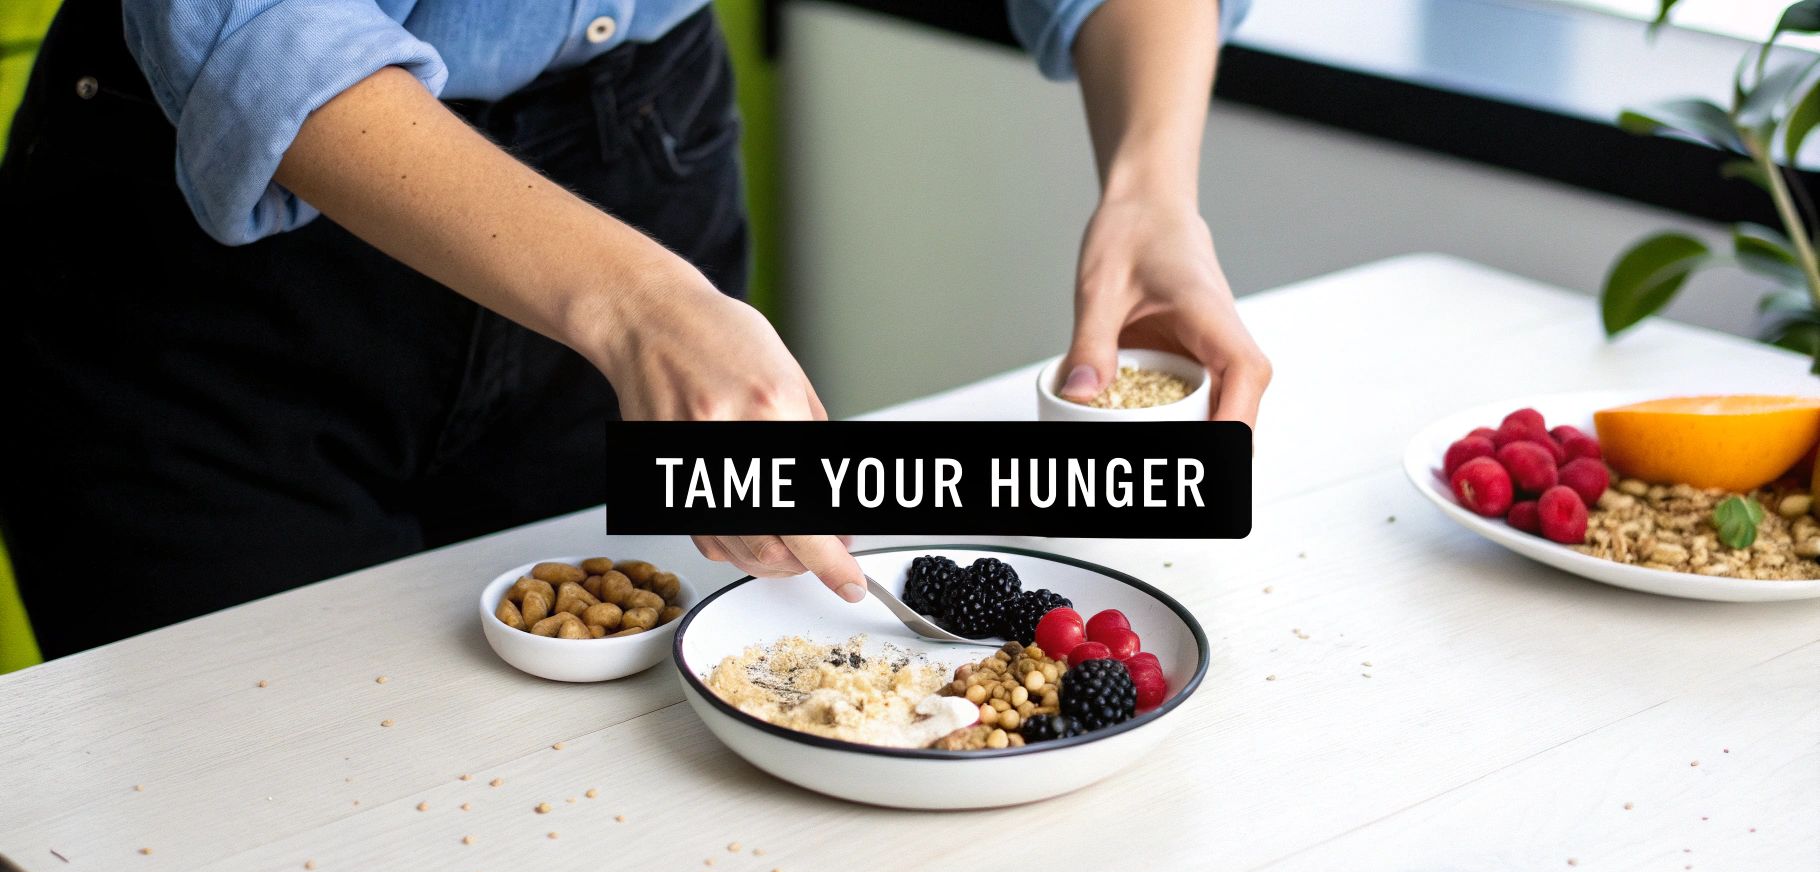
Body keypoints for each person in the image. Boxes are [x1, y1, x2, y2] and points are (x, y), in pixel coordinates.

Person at [0, 0, 1270, 660]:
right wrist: (640, 305)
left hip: (638, 147)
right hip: (220, 243)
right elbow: (260, 26)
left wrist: (1151, 189)